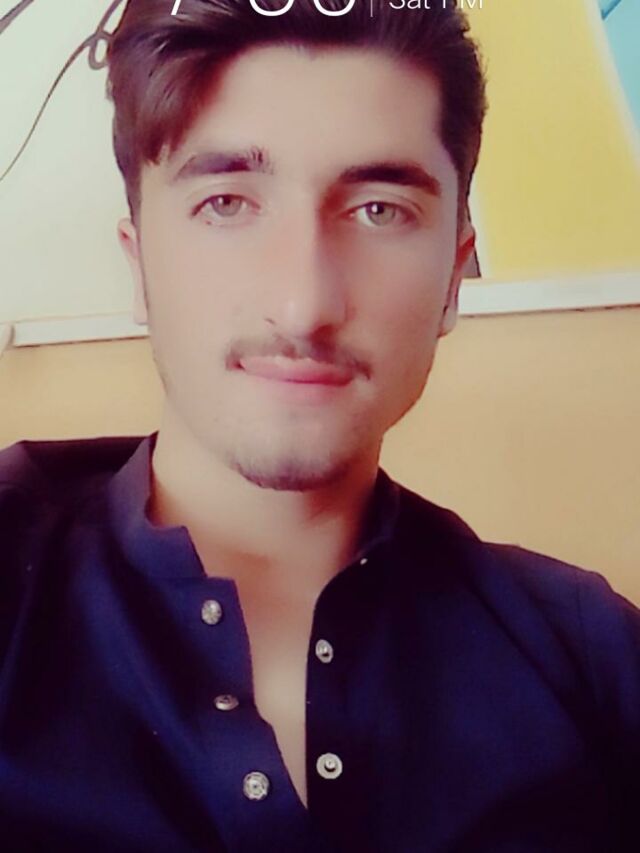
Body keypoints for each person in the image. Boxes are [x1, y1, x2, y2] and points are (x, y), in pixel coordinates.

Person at [0, 0, 638, 850]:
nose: (304, 304)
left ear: (454, 277)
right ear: (139, 262)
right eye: (227, 202)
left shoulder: (588, 655)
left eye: (379, 210)